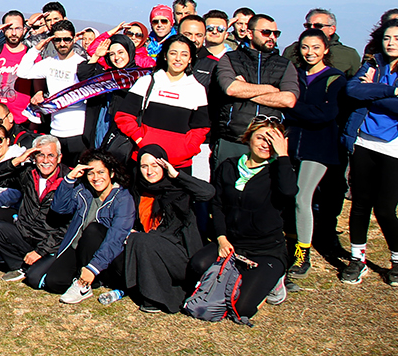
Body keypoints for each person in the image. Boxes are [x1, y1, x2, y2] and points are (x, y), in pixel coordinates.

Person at [186, 117, 297, 323]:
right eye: (261, 137)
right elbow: (217, 205)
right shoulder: (228, 167)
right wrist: (221, 238)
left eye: (272, 141)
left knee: (242, 308)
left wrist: (283, 155)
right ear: (249, 138)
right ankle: (237, 273)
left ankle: (274, 280)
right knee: (197, 265)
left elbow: (289, 192)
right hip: (232, 244)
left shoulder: (278, 171)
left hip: (266, 251)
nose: (265, 144)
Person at [25, 151, 134, 301]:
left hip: (107, 255)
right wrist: (69, 179)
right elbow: (59, 208)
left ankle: (88, 280)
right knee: (54, 282)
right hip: (78, 247)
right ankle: (90, 281)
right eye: (91, 173)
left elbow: (116, 237)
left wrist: (93, 268)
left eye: (101, 172)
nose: (96, 178)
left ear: (112, 173)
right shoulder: (84, 191)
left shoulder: (123, 199)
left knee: (94, 230)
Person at [122, 144, 215, 313]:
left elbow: (207, 192)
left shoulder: (178, 188)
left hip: (181, 253)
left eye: (155, 165)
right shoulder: (138, 189)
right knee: (133, 239)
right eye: (144, 166)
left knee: (142, 240)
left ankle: (156, 299)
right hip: (155, 247)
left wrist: (177, 175)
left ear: (164, 165)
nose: (150, 171)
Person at [340, 20, 398, 285]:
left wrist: (371, 91)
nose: (391, 43)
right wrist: (390, 91)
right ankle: (357, 259)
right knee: (360, 204)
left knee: (385, 208)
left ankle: (396, 260)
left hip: (393, 147)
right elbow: (353, 89)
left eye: (396, 38)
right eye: (387, 37)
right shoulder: (373, 62)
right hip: (364, 141)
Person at [284, 28, 345, 277]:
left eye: (316, 47)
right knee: (288, 197)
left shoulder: (335, 79)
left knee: (302, 198)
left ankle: (302, 256)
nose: (310, 53)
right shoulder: (294, 75)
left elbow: (326, 114)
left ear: (326, 50)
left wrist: (291, 104)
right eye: (305, 47)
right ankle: (285, 245)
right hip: (290, 144)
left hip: (319, 148)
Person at [0, 140, 67, 280]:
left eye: (51, 155)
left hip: (49, 240)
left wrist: (40, 251)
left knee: (35, 278)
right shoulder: (28, 173)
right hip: (25, 233)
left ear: (59, 157)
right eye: (40, 155)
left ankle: (35, 264)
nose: (45, 161)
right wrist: (19, 159)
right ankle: (19, 266)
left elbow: (66, 227)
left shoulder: (68, 180)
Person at [113, 35, 210, 171]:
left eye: (184, 54)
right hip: (145, 162)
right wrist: (141, 140)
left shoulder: (197, 89)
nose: (178, 59)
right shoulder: (147, 82)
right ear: (165, 56)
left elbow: (201, 128)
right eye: (173, 53)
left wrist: (188, 150)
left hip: (179, 166)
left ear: (190, 59)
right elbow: (123, 116)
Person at [212, 14, 297, 165]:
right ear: (250, 33)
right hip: (233, 138)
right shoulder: (230, 58)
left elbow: (289, 100)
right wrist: (271, 90)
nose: (271, 37)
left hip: (268, 142)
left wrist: (245, 91)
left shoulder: (285, 65)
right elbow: (231, 89)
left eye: (275, 33)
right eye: (266, 32)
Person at [15, 20, 92, 162]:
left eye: (67, 39)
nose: (62, 44)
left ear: (74, 39)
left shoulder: (82, 64)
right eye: (57, 40)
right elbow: (22, 72)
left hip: (78, 133)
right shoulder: (49, 63)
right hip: (55, 132)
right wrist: (37, 49)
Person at [284, 9, 361, 78]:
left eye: (318, 26)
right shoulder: (291, 50)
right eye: (308, 25)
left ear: (332, 29)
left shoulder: (349, 55)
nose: (312, 28)